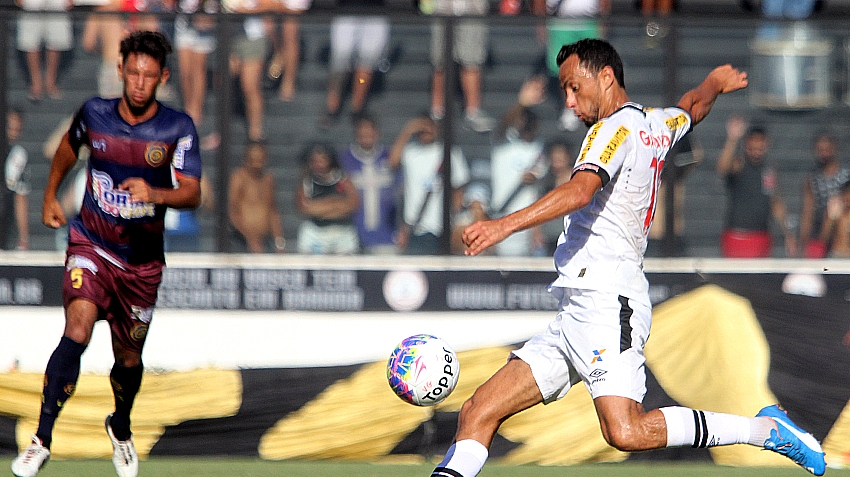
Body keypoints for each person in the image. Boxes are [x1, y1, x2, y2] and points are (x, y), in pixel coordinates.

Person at [433, 39, 825, 477]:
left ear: (606, 77)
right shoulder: (656, 122)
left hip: (607, 301)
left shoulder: (610, 130)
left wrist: (502, 226)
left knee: (626, 431)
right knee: (478, 410)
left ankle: (764, 430)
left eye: (574, 87)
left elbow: (580, 191)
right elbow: (692, 107)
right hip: (575, 311)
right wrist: (713, 83)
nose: (569, 101)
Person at [11, 31, 202, 477]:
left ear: (163, 78)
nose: (139, 82)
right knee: (77, 330)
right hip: (92, 244)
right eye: (132, 73)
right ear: (120, 70)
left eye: (148, 76)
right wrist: (50, 195)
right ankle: (41, 440)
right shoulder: (95, 113)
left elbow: (193, 193)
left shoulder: (177, 128)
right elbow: (68, 147)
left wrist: (155, 192)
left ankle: (120, 426)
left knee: (128, 359)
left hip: (142, 262)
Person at [390, 114, 470, 255]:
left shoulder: (450, 153)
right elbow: (392, 162)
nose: (427, 131)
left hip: (441, 229)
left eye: (430, 127)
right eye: (423, 127)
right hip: (416, 229)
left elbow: (458, 190)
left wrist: (455, 221)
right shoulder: (410, 152)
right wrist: (408, 130)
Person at [716, 116, 794, 258]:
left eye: (760, 143)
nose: (757, 148)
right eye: (753, 144)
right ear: (746, 143)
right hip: (737, 235)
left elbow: (776, 204)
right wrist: (732, 139)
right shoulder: (739, 164)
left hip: (761, 236)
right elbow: (723, 168)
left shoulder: (769, 170)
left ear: (767, 143)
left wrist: (788, 234)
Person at [490, 76, 547, 256]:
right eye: (523, 120)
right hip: (502, 215)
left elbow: (538, 184)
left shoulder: (540, 148)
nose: (526, 125)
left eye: (530, 122)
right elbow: (502, 125)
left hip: (528, 219)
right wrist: (522, 103)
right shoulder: (502, 144)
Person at [319, 0, 389, 128]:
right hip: (346, 8)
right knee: (340, 62)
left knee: (365, 65)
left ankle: (355, 109)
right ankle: (332, 108)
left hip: (376, 9)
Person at [429, 0, 496, 133]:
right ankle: (437, 113)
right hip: (442, 9)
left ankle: (472, 113)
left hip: (472, 9)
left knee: (471, 61)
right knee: (440, 63)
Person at [338, 112, 400, 254]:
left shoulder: (389, 157)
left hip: (387, 236)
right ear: (356, 134)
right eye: (362, 134)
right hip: (353, 236)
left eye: (369, 133)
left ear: (376, 133)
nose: (366, 137)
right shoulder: (344, 159)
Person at [295, 142, 361, 254]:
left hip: (341, 230)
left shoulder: (342, 179)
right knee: (306, 232)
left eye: (322, 160)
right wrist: (335, 203)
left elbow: (353, 204)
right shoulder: (307, 181)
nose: (319, 164)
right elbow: (304, 208)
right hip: (316, 231)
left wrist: (320, 208)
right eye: (315, 161)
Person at [797, 131, 850, 258]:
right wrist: (802, 242)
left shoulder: (846, 174)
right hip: (820, 233)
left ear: (834, 148)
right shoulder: (812, 179)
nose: (824, 153)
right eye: (820, 150)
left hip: (842, 233)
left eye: (827, 149)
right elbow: (807, 211)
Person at [228, 140, 285, 253]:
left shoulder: (268, 179)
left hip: (264, 240)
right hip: (242, 240)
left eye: (260, 160)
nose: (257, 164)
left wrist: (279, 242)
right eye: (253, 160)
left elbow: (273, 211)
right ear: (247, 159)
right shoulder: (239, 178)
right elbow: (233, 212)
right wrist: (250, 239)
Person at [16, 0, 73, 101]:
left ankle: (51, 83)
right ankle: (36, 84)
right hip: (32, 4)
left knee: (56, 41)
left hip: (57, 4)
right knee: (31, 42)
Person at [1, 108, 30, 251]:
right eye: (9, 128)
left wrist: (23, 237)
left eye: (16, 130)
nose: (12, 133)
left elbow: (20, 196)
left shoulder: (18, 155)